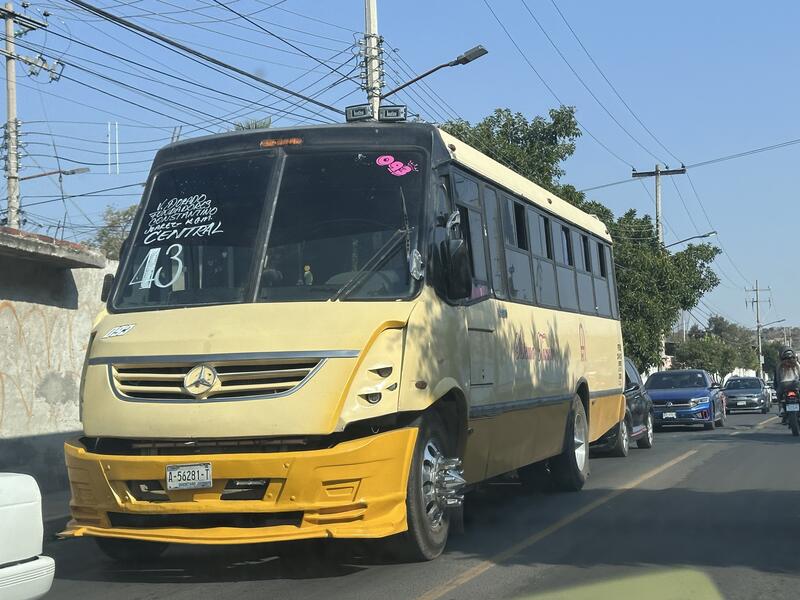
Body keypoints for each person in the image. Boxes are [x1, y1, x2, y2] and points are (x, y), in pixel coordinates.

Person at [774, 347, 800, 423]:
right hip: (796, 384)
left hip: (783, 385)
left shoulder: (779, 365)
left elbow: (778, 378)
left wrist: (777, 386)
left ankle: (781, 409)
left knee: (779, 396)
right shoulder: (796, 364)